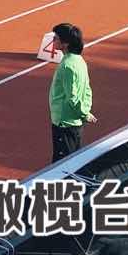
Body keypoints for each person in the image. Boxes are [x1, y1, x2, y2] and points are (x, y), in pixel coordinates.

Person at [48, 22, 95, 162]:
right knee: (74, 161)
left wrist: (84, 113)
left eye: (56, 38)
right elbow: (87, 89)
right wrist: (86, 110)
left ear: (65, 43)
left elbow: (72, 97)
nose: (53, 40)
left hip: (64, 122)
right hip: (73, 121)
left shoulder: (67, 66)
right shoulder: (79, 61)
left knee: (62, 165)